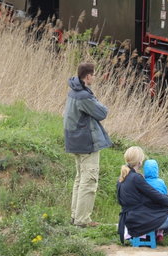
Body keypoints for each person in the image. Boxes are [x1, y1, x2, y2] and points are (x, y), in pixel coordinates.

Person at [63, 62, 112, 227]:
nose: (95, 77)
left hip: (75, 140)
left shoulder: (73, 92)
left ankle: (75, 217)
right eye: (94, 74)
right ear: (88, 76)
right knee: (89, 181)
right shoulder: (83, 96)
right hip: (86, 142)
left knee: (79, 179)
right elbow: (102, 112)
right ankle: (82, 220)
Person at [117, 146, 168, 241]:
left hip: (132, 220)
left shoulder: (122, 178)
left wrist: (164, 205)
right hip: (140, 222)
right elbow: (155, 195)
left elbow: (143, 200)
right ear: (140, 161)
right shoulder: (136, 178)